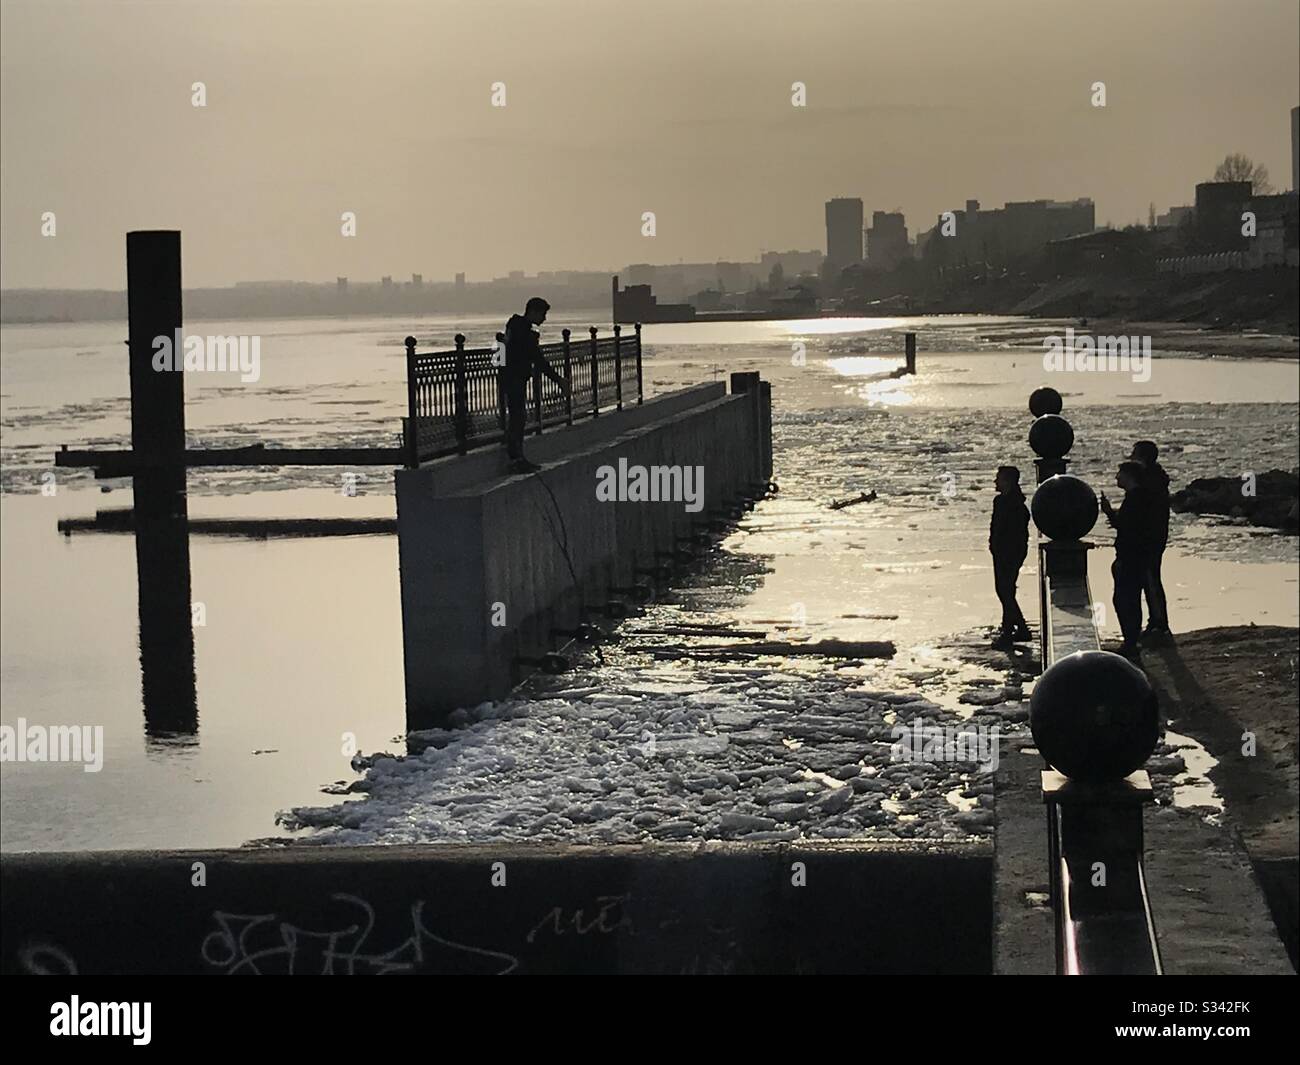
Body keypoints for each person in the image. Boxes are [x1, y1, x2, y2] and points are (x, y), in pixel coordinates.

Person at [501, 297, 568, 472]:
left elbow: (503, 351)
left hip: (511, 377)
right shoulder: (523, 331)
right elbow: (537, 359)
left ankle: (517, 457)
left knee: (518, 416)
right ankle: (516, 459)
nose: (544, 319)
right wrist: (558, 380)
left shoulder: (514, 327)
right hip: (514, 377)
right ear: (534, 311)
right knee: (518, 417)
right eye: (543, 314)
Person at [1100, 461, 1150, 661]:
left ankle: (1130, 642)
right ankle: (1131, 641)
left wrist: (1109, 512)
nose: (1116, 477)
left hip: (1130, 556)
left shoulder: (1135, 499)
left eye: (1120, 473)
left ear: (1129, 476)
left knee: (1124, 599)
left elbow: (1127, 527)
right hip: (1134, 556)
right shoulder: (1138, 498)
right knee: (1129, 599)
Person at [1131, 440, 1171, 636]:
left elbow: (1145, 513)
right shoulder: (1156, 480)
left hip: (1150, 538)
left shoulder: (1149, 482)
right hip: (1154, 536)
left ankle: (1159, 622)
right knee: (1151, 578)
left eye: (1135, 454)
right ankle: (1156, 620)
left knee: (1151, 579)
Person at [989, 465, 1032, 647]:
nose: (995, 482)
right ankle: (1017, 627)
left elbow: (1013, 533)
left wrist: (999, 547)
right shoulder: (1002, 501)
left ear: (1008, 481)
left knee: (1005, 590)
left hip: (1009, 552)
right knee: (1006, 590)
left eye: (999, 478)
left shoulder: (1013, 505)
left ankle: (1013, 630)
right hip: (1002, 551)